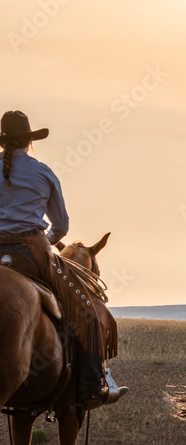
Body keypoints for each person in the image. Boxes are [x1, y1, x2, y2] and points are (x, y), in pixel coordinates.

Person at [0, 110, 126, 409]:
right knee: (87, 311)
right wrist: (51, 241)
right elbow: (62, 226)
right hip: (34, 252)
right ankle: (92, 385)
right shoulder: (43, 172)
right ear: (29, 141)